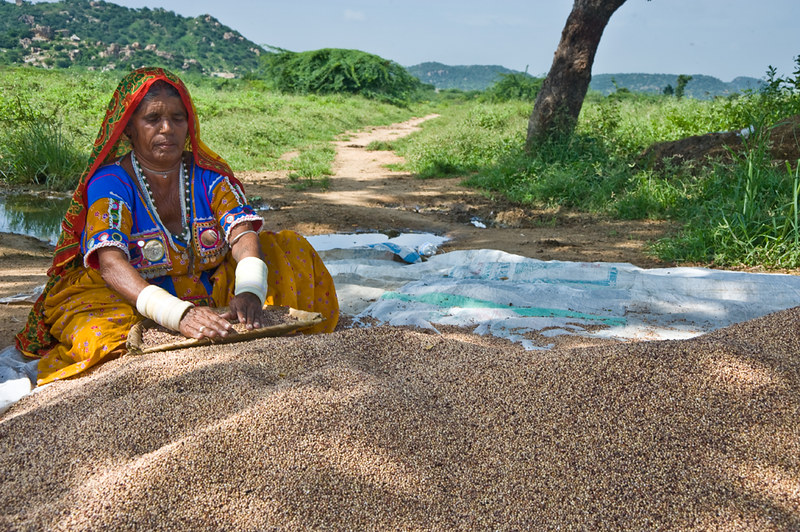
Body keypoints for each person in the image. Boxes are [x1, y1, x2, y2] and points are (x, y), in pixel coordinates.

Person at [15, 67, 339, 386]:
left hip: (212, 284)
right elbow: (110, 263)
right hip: (131, 295)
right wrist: (177, 314)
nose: (167, 128)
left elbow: (242, 234)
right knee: (102, 336)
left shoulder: (211, 175)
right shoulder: (111, 182)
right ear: (128, 128)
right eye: (153, 119)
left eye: (178, 119)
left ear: (189, 124)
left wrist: (249, 291)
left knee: (288, 249)